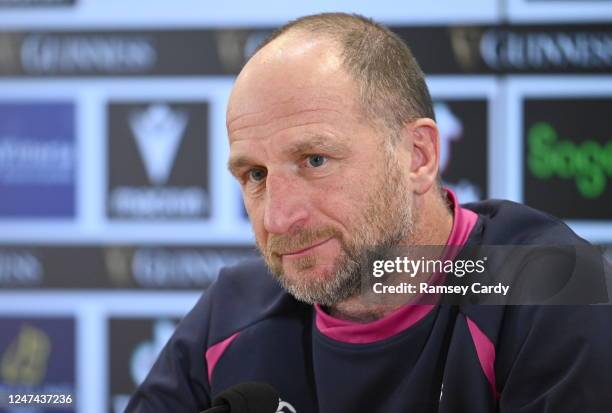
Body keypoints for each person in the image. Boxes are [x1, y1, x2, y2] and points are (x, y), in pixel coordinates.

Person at [126, 13, 612, 412]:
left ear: (417, 156)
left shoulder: (551, 289)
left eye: (315, 160)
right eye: (255, 174)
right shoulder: (233, 310)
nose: (278, 219)